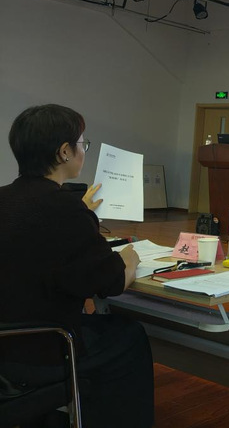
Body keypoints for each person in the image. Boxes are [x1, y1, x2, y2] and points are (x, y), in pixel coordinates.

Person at [0, 104, 154, 428]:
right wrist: (129, 257)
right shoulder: (65, 211)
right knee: (129, 335)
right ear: (64, 152)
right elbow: (110, 282)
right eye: (83, 143)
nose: (84, 150)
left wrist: (82, 213)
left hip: (7, 343)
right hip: (41, 350)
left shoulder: (7, 198)